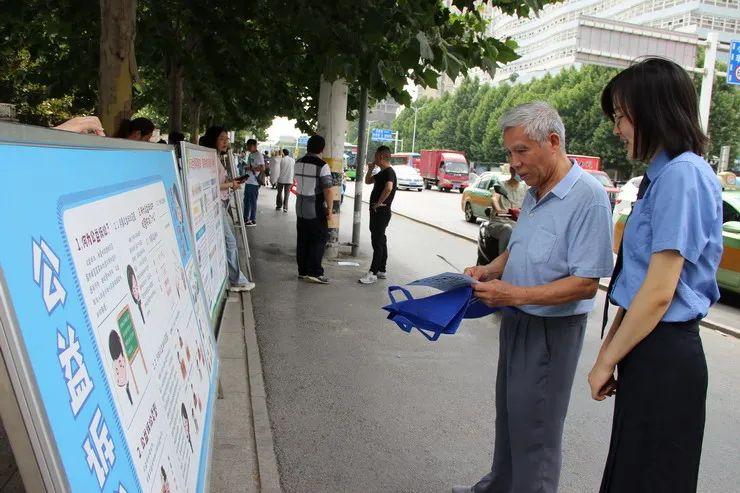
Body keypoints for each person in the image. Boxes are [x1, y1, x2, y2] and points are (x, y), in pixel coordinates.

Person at [454, 102, 613, 493]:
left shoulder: (588, 198)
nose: (514, 163)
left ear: (553, 142)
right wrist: (492, 269)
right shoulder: (536, 192)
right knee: (510, 417)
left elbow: (585, 283)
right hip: (518, 319)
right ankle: (498, 486)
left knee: (536, 431)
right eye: (510, 152)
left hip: (551, 330)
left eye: (521, 151)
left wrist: (514, 294)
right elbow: (523, 247)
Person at [590, 58, 722, 493]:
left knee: (651, 478)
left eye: (622, 117)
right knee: (631, 472)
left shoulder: (683, 175)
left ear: (654, 111)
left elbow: (660, 292)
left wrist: (607, 359)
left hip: (665, 356)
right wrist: (610, 353)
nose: (617, 129)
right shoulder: (659, 176)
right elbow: (635, 287)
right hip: (646, 348)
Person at [201, 126, 255, 293]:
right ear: (213, 139)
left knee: (228, 239)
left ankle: (232, 277)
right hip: (215, 204)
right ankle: (236, 280)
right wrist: (231, 184)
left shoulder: (214, 157)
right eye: (222, 138)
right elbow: (210, 184)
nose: (226, 142)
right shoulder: (209, 157)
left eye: (227, 139)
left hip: (220, 203)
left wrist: (231, 184)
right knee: (230, 241)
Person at [294, 135, 334, 284]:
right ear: (322, 149)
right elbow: (328, 190)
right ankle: (315, 272)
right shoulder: (322, 165)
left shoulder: (297, 163)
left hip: (300, 205)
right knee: (319, 238)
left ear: (307, 146)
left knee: (302, 238)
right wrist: (329, 209)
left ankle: (302, 271)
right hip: (315, 206)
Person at [359, 146, 396, 284]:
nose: (374, 158)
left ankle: (372, 273)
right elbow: (368, 181)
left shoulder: (389, 172)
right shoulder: (382, 172)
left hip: (381, 212)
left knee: (377, 242)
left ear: (380, 156)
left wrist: (379, 202)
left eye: (375, 156)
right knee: (381, 239)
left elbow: (389, 188)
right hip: (377, 212)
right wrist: (370, 168)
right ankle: (381, 269)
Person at [487, 170, 527, 256]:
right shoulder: (501, 185)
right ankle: (502, 263)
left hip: (517, 223)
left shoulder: (525, 188)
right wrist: (498, 209)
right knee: (507, 229)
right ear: (511, 170)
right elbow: (494, 199)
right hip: (500, 222)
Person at [243, 139, 264, 227]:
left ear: (254, 146)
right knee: (246, 201)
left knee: (252, 201)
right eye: (247, 145)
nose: (247, 147)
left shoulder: (258, 155)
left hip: (254, 182)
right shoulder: (251, 154)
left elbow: (262, 168)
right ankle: (245, 219)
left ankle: (253, 220)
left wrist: (250, 168)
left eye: (249, 146)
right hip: (249, 181)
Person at [276, 148, 295, 212]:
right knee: (287, 194)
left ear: (283, 153)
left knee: (279, 193)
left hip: (281, 179)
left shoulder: (281, 160)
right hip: (289, 179)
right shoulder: (293, 160)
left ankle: (279, 206)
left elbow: (277, 169)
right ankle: (285, 207)